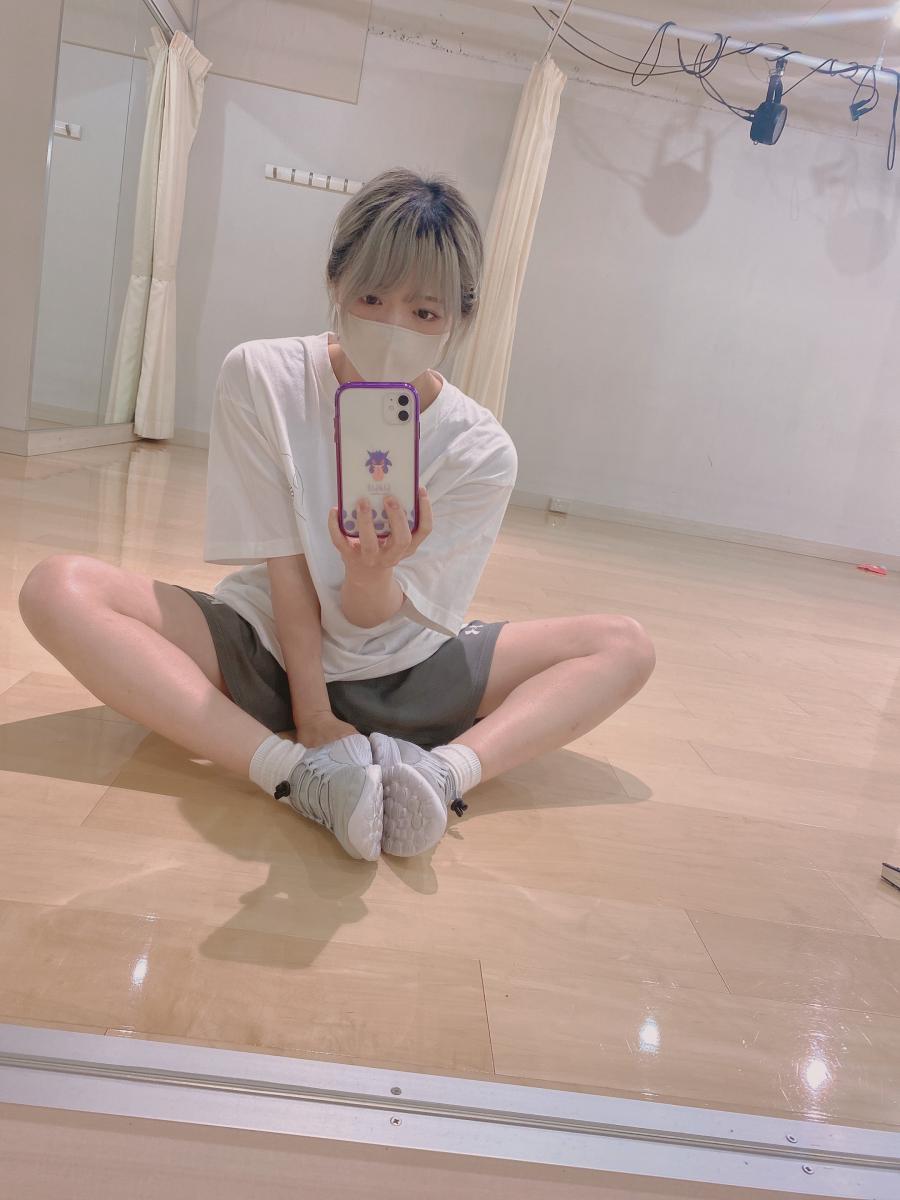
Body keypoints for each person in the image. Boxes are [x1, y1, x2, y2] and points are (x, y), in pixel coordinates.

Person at [18, 167, 656, 863]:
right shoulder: (263, 376)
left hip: (412, 666)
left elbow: (383, 618)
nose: (392, 328)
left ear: (460, 319)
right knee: (58, 588)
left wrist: (370, 573)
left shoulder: (480, 449)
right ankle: (297, 776)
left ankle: (438, 776)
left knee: (624, 645)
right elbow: (286, 565)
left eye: (425, 312)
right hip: (266, 650)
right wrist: (313, 717)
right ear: (335, 282)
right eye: (372, 297)